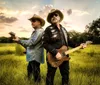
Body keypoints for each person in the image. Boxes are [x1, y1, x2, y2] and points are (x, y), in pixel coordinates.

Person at [42, 9, 86, 85]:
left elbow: (69, 42)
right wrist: (55, 53)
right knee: (50, 76)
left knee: (65, 75)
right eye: (51, 16)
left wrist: (79, 45)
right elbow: (44, 43)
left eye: (55, 15)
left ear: (59, 17)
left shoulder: (64, 29)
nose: (53, 16)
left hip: (65, 56)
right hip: (52, 57)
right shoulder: (48, 29)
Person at [12, 14, 45, 83]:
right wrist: (27, 49)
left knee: (36, 73)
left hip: (35, 56)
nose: (31, 22)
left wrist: (19, 40)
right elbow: (32, 44)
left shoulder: (39, 31)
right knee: (29, 69)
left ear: (39, 22)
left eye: (33, 21)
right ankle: (29, 81)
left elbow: (31, 42)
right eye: (31, 21)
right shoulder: (36, 32)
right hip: (33, 55)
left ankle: (37, 83)